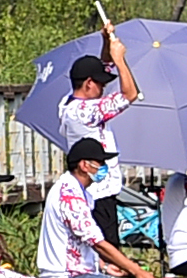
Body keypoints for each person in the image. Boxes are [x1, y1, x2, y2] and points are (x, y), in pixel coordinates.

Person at [33, 137, 150, 278]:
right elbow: (97, 242)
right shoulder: (69, 195)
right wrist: (136, 271)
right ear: (84, 165)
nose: (104, 168)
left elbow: (81, 243)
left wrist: (105, 266)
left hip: (82, 275)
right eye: (100, 163)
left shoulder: (82, 194)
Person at [54, 32, 139, 202]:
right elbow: (130, 94)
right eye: (101, 84)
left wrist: (107, 42)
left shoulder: (67, 103)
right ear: (89, 83)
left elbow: (105, 66)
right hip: (100, 192)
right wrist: (120, 60)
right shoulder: (85, 112)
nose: (103, 88)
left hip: (93, 190)